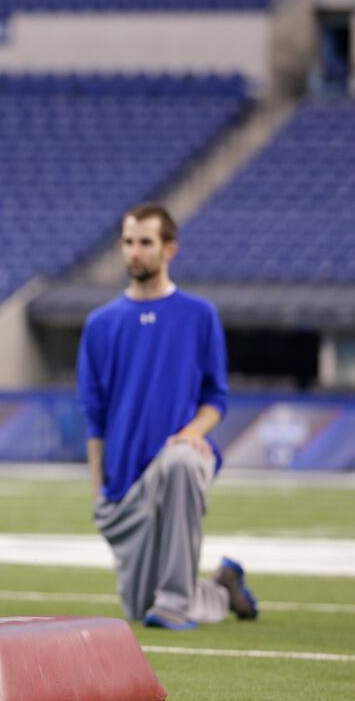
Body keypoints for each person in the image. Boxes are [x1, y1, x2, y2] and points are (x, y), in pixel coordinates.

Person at [77, 202, 258, 631]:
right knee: (140, 607)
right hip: (128, 482)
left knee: (180, 461)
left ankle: (176, 604)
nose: (134, 251)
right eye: (128, 242)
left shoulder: (199, 315)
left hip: (183, 460)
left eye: (145, 242)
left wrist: (191, 433)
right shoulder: (100, 324)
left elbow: (216, 398)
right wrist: (99, 491)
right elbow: (94, 417)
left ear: (169, 249)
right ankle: (222, 588)